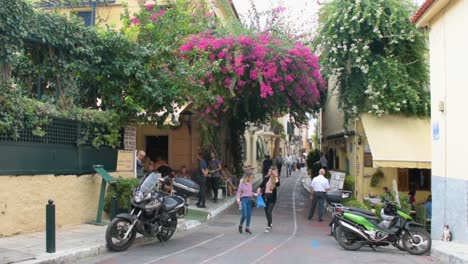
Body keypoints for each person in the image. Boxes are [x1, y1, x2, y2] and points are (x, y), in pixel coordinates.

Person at [257, 168, 280, 233]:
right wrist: (259, 189)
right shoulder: (266, 178)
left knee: (269, 211)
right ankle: (270, 222)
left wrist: (276, 176)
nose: (270, 172)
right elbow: (261, 185)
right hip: (265, 197)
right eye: (269, 171)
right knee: (266, 211)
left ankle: (268, 226)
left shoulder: (275, 178)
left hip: (272, 198)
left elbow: (278, 184)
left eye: (271, 171)